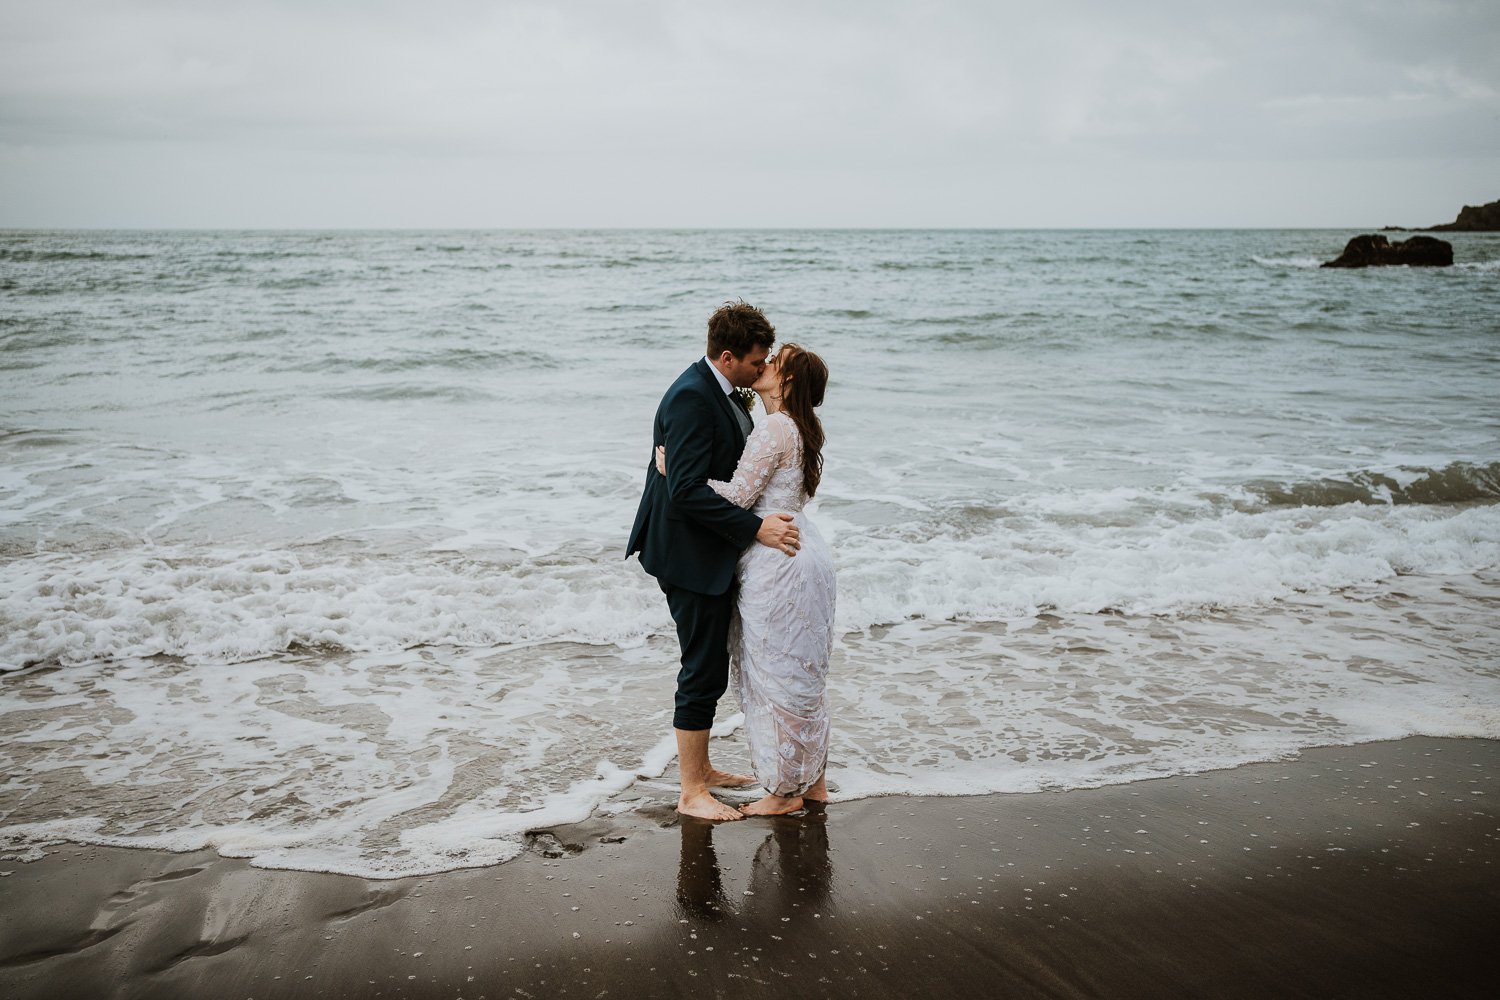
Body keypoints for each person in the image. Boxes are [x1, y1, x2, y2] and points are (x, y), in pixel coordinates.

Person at [626, 301, 803, 822]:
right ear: (727, 357)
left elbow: (703, 469)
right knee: (701, 670)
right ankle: (690, 792)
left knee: (710, 669)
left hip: (707, 547)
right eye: (754, 361)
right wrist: (756, 529)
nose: (760, 369)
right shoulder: (690, 397)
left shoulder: (722, 391)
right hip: (686, 553)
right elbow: (682, 491)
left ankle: (701, 771)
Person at [657, 343, 835, 816]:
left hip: (777, 558)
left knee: (775, 675)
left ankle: (782, 793)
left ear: (789, 381)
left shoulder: (774, 427)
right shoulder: (802, 426)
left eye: (776, 362)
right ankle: (812, 783)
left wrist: (677, 471)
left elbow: (737, 496)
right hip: (806, 551)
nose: (767, 364)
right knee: (804, 673)